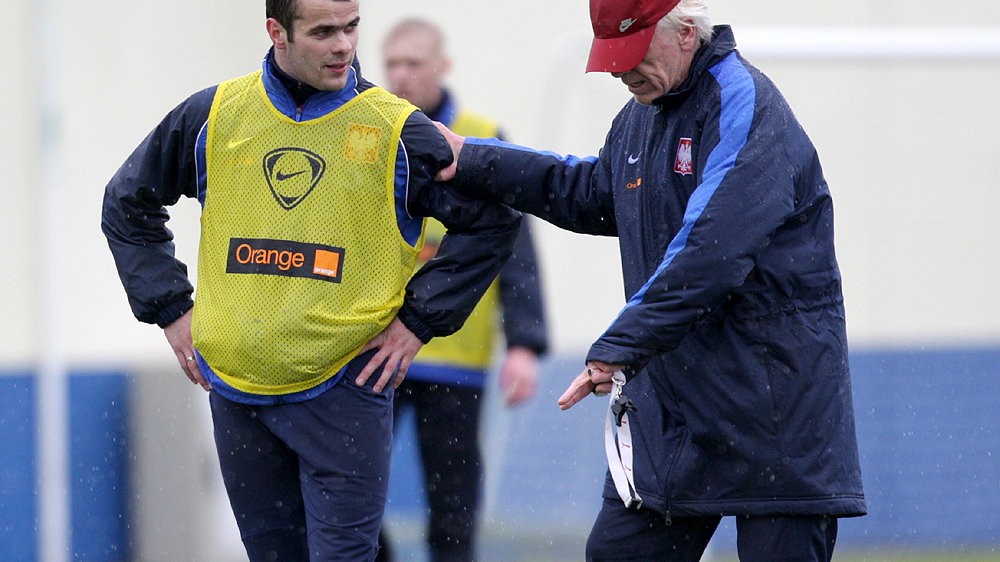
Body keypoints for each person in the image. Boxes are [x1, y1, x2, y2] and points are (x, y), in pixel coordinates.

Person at [433, 0, 867, 560]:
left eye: (633, 53)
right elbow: (588, 191)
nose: (620, 71)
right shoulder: (641, 114)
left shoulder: (745, 105)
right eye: (611, 57)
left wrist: (618, 347)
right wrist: (471, 158)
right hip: (673, 413)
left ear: (686, 33)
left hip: (774, 410)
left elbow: (710, 251)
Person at [101, 0, 522, 560]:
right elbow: (126, 203)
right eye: (323, 32)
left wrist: (418, 323)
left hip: (347, 390)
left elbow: (494, 219)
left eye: (351, 28)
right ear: (277, 32)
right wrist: (172, 308)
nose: (344, 46)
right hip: (236, 391)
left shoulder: (395, 129)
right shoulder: (215, 115)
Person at [376, 19, 549, 562]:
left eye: (413, 63)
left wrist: (524, 344)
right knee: (346, 491)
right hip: (373, 349)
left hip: (455, 356)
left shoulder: (479, 137)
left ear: (442, 67)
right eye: (392, 64)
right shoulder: (370, 135)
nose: (401, 76)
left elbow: (516, 250)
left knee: (452, 505)